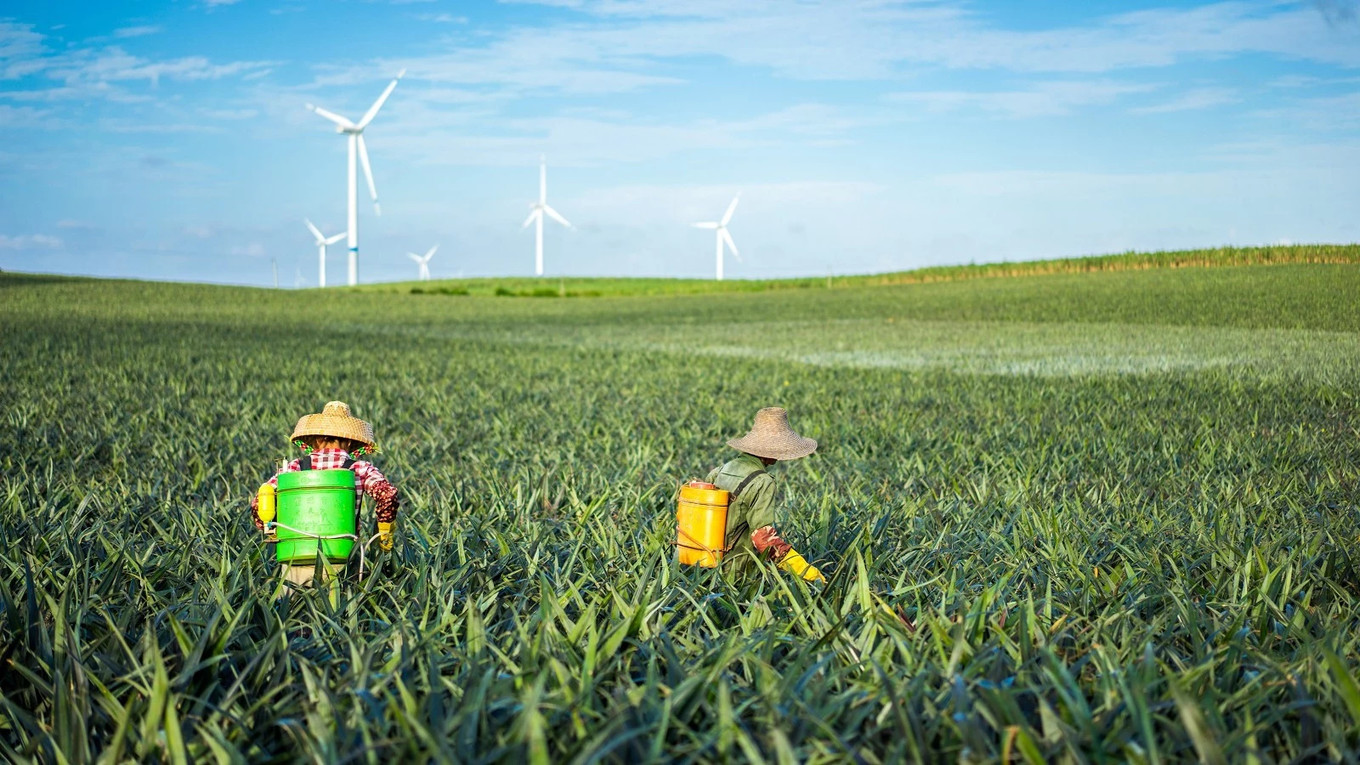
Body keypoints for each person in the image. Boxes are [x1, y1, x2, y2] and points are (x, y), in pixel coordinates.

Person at [250, 401, 401, 595]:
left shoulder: (293, 467)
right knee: (340, 615)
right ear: (349, 442)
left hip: (294, 555)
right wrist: (384, 530)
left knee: (293, 616)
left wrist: (271, 529)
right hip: (342, 556)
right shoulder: (359, 468)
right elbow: (388, 494)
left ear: (314, 440)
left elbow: (260, 501)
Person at [706, 407, 825, 582]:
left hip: (704, 567)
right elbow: (763, 539)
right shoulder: (763, 481)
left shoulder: (720, 471)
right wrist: (806, 572)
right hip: (735, 575)